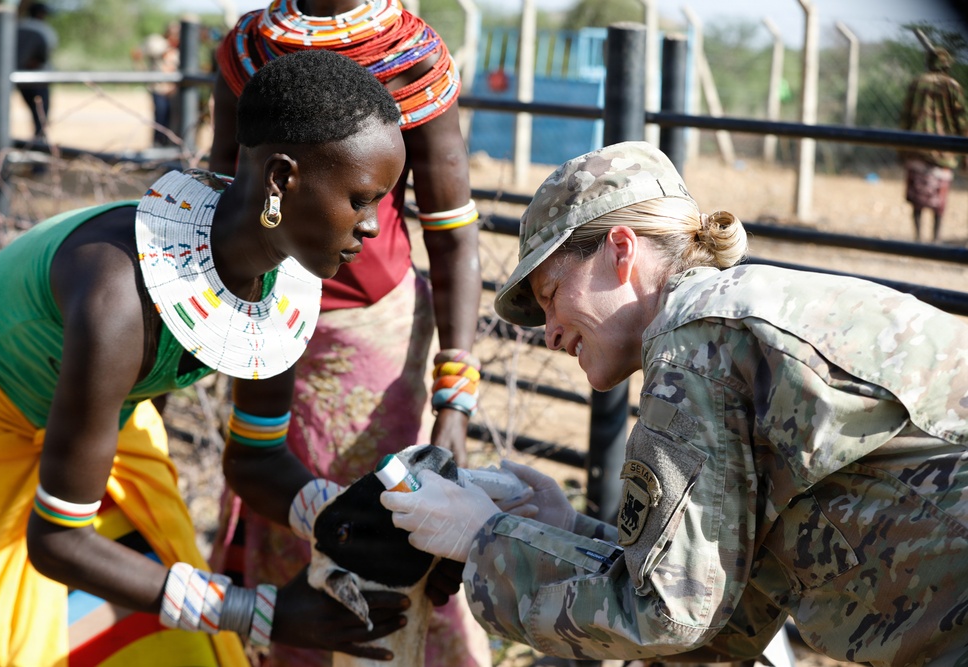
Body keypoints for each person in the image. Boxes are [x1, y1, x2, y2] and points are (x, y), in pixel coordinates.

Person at [382, 141, 968, 666]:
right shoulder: (724, 321)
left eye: (553, 295)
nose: (551, 333)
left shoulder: (697, 342)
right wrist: (560, 529)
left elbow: (667, 614)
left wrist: (482, 538)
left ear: (621, 250)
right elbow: (721, 614)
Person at [0, 50, 426, 666]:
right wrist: (260, 614)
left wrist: (350, 521)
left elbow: (256, 461)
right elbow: (57, 544)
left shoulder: (281, 285)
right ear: (282, 178)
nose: (373, 228)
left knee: (174, 649)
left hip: (91, 428)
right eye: (361, 199)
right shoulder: (120, 300)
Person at [207, 2, 487, 666]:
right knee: (276, 509)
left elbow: (454, 237)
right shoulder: (247, 49)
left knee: (390, 538)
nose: (366, 217)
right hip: (262, 312)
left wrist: (454, 402)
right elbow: (221, 190)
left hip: (371, 333)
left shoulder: (409, 55)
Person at [899, 47, 968, 243]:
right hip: (945, 151)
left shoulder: (917, 83)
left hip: (916, 148)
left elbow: (905, 117)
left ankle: (918, 239)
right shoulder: (953, 86)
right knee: (939, 201)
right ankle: (935, 240)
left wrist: (901, 148)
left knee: (918, 199)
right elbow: (963, 122)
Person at [132, 21, 181, 147]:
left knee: (172, 119)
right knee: (160, 117)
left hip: (173, 90)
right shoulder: (157, 42)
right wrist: (145, 73)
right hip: (159, 88)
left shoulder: (180, 47)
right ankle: (157, 146)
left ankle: (167, 146)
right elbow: (137, 53)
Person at [15, 2, 58, 141]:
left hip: (18, 78)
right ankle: (39, 152)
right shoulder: (44, 30)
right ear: (41, 15)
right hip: (39, 79)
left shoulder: (17, 27)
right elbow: (43, 57)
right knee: (41, 120)